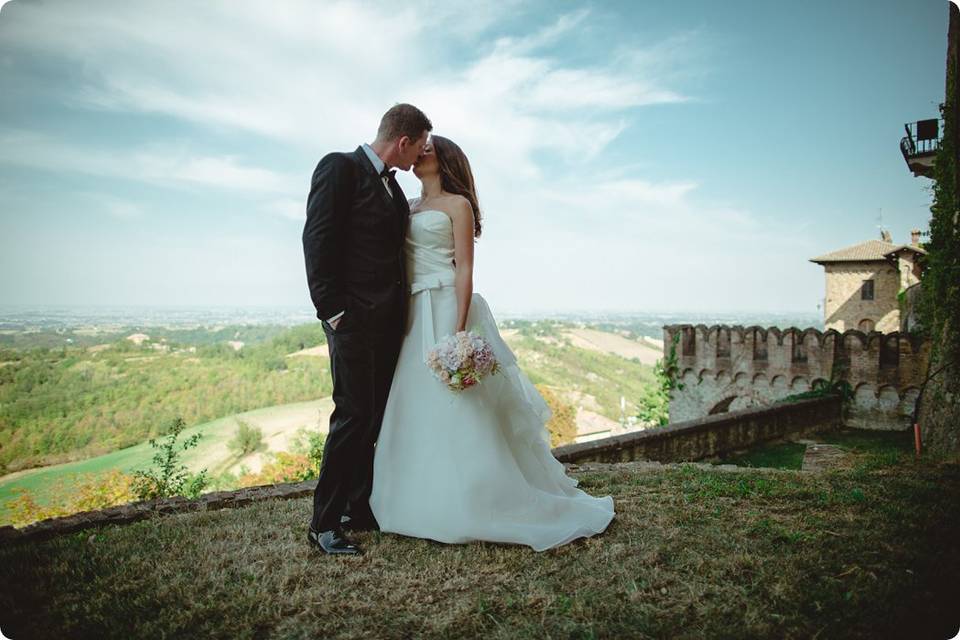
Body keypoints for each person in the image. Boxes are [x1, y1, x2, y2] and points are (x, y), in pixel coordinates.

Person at [368, 135, 615, 552]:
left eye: (429, 149)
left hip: (446, 304)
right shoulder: (408, 206)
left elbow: (464, 270)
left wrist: (458, 332)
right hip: (412, 310)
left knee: (459, 402)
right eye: (420, 148)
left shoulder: (457, 205)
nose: (421, 153)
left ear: (444, 161)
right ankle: (415, 498)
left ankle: (479, 498)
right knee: (414, 400)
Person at [302, 103, 431, 555]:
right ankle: (323, 524)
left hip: (387, 325)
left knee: (373, 417)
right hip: (352, 322)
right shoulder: (340, 168)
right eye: (418, 149)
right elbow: (317, 239)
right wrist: (332, 311)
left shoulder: (393, 190)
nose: (418, 159)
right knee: (353, 416)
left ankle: (358, 506)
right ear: (403, 141)